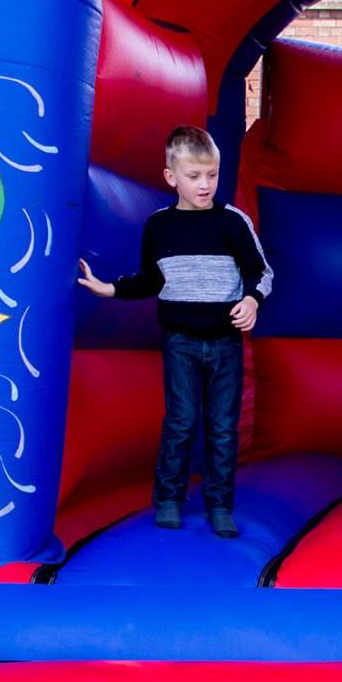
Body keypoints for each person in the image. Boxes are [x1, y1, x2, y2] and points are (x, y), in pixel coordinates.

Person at [77, 126, 272, 539]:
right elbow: (152, 279)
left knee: (222, 426)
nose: (205, 185)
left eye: (212, 175)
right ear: (172, 177)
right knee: (181, 421)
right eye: (194, 176)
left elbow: (261, 271)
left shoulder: (232, 222)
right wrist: (110, 288)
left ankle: (220, 504)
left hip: (224, 343)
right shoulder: (159, 226)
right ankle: (168, 498)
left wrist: (253, 299)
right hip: (180, 341)